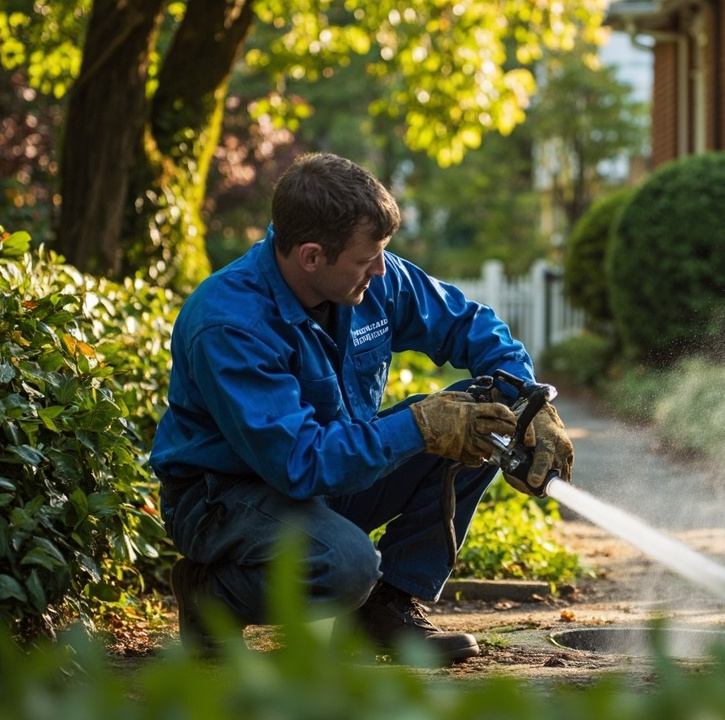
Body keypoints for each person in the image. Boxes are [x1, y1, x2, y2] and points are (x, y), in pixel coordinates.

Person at [150, 152, 574, 663]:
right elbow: (299, 464)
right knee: (345, 567)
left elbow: (467, 325)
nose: (381, 268)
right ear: (311, 257)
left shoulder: (374, 277)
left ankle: (382, 612)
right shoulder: (230, 324)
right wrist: (420, 427)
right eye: (365, 258)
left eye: (382, 253)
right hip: (227, 496)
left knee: (481, 424)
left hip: (326, 476)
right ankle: (211, 596)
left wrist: (529, 401)